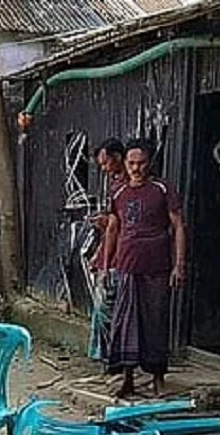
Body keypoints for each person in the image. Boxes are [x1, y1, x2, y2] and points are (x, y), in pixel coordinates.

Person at [105, 140, 186, 398]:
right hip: (127, 266)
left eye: (141, 163)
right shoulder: (118, 192)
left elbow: (178, 226)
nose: (136, 168)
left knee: (156, 321)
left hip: (158, 266)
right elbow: (112, 229)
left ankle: (158, 378)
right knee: (126, 322)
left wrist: (179, 265)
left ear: (149, 163)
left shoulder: (163, 189)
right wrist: (106, 265)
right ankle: (127, 379)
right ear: (125, 164)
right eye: (131, 163)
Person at [86, 138, 127, 362]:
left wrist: (103, 263)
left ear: (117, 157)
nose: (104, 168)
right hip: (115, 253)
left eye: (105, 163)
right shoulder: (116, 184)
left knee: (106, 307)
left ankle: (111, 355)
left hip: (119, 256)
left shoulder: (123, 188)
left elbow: (113, 227)